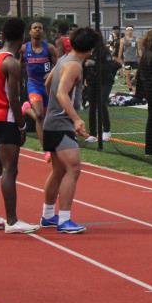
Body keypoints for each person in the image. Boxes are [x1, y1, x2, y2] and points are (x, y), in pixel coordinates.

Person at [40, 27, 101, 234]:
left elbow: (48, 82)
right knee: (73, 168)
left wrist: (53, 109)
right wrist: (75, 119)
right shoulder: (74, 65)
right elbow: (61, 93)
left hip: (52, 121)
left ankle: (48, 215)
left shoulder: (63, 59)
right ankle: (64, 220)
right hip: (61, 123)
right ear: (91, 49)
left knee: (58, 170)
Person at [0, 18, 39, 234]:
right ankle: (12, 221)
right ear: (22, 37)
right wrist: (22, 125)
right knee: (9, 170)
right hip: (6, 118)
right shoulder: (12, 63)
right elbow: (14, 99)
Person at [23, 22, 56, 123]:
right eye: (35, 28)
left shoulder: (50, 48)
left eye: (40, 28)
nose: (37, 29)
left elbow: (58, 65)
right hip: (33, 84)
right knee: (39, 114)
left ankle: (43, 134)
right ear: (30, 32)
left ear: (43, 31)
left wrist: (51, 73)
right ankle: (27, 109)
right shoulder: (24, 48)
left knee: (45, 118)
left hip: (47, 85)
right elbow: (18, 64)